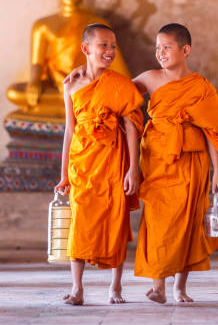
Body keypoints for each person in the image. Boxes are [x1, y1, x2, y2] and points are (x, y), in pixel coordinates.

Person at [66, 23, 218, 304]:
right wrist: (81, 71)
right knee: (158, 220)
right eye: (157, 48)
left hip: (191, 158)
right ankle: (158, 286)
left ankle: (179, 288)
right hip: (156, 159)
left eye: (167, 47)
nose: (160, 53)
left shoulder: (201, 87)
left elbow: (212, 131)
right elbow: (113, 91)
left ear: (185, 50)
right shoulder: (149, 79)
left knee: (187, 221)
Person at [55, 23, 143, 305]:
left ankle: (115, 287)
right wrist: (63, 173)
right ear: (86, 49)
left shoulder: (120, 85)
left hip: (113, 162)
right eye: (103, 45)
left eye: (113, 46)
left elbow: (132, 128)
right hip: (82, 164)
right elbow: (69, 129)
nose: (110, 51)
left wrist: (133, 168)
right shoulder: (70, 84)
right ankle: (77, 288)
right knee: (79, 222)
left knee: (116, 222)